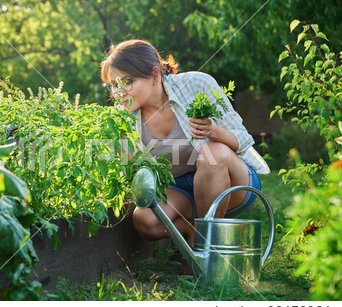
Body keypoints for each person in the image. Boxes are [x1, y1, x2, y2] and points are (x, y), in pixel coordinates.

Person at [100, 39, 270, 247]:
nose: (119, 93)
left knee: (212, 153)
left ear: (154, 75)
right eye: (113, 86)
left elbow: (243, 138)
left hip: (231, 181)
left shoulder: (195, 85)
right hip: (179, 191)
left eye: (127, 82)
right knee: (145, 220)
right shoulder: (124, 119)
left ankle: (206, 248)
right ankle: (192, 231)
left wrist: (214, 131)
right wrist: (123, 150)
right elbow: (129, 178)